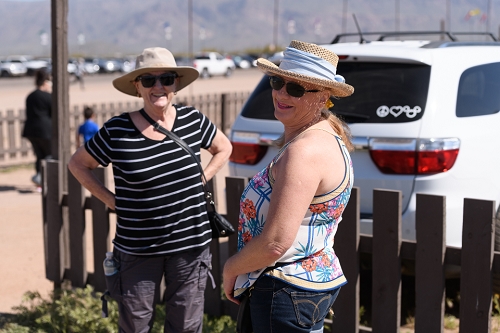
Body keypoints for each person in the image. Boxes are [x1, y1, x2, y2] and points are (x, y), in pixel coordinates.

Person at [68, 47, 232, 333]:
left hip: (191, 247)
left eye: (166, 78)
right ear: (137, 86)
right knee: (134, 326)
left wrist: (202, 177)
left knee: (186, 327)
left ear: (176, 84)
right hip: (137, 249)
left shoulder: (193, 120)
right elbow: (78, 164)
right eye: (148, 80)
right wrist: (111, 200)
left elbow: (224, 147)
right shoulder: (117, 129)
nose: (158, 87)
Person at [222, 40, 355, 333]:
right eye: (278, 81)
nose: (281, 93)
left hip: (283, 289)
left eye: (296, 88)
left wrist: (231, 268)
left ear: (323, 97)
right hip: (304, 284)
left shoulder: (305, 151)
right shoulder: (327, 134)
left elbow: (275, 244)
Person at [22, 69, 52, 189]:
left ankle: (40, 181)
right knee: (49, 155)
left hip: (30, 130)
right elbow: (53, 114)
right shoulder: (48, 97)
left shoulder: (30, 96)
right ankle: (45, 180)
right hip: (45, 131)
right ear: (45, 82)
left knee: (39, 156)